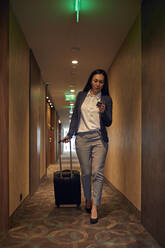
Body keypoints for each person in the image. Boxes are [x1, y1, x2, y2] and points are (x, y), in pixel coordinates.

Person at [62, 69, 112, 224]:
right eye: (95, 80)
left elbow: (109, 121)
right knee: (86, 172)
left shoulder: (106, 99)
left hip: (99, 139)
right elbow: (76, 117)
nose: (98, 84)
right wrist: (69, 134)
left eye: (101, 81)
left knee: (97, 172)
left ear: (104, 84)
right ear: (91, 81)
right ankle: (88, 199)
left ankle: (95, 206)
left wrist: (103, 112)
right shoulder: (81, 96)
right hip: (82, 139)